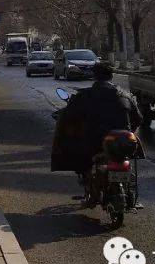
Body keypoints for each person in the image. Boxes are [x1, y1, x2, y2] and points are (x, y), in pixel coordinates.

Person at [51, 62, 143, 196]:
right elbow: (138, 119)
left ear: (94, 76)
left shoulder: (84, 96)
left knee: (80, 154)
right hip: (123, 143)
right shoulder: (125, 95)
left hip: (94, 141)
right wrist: (129, 132)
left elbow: (69, 116)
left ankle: (88, 182)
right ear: (111, 76)